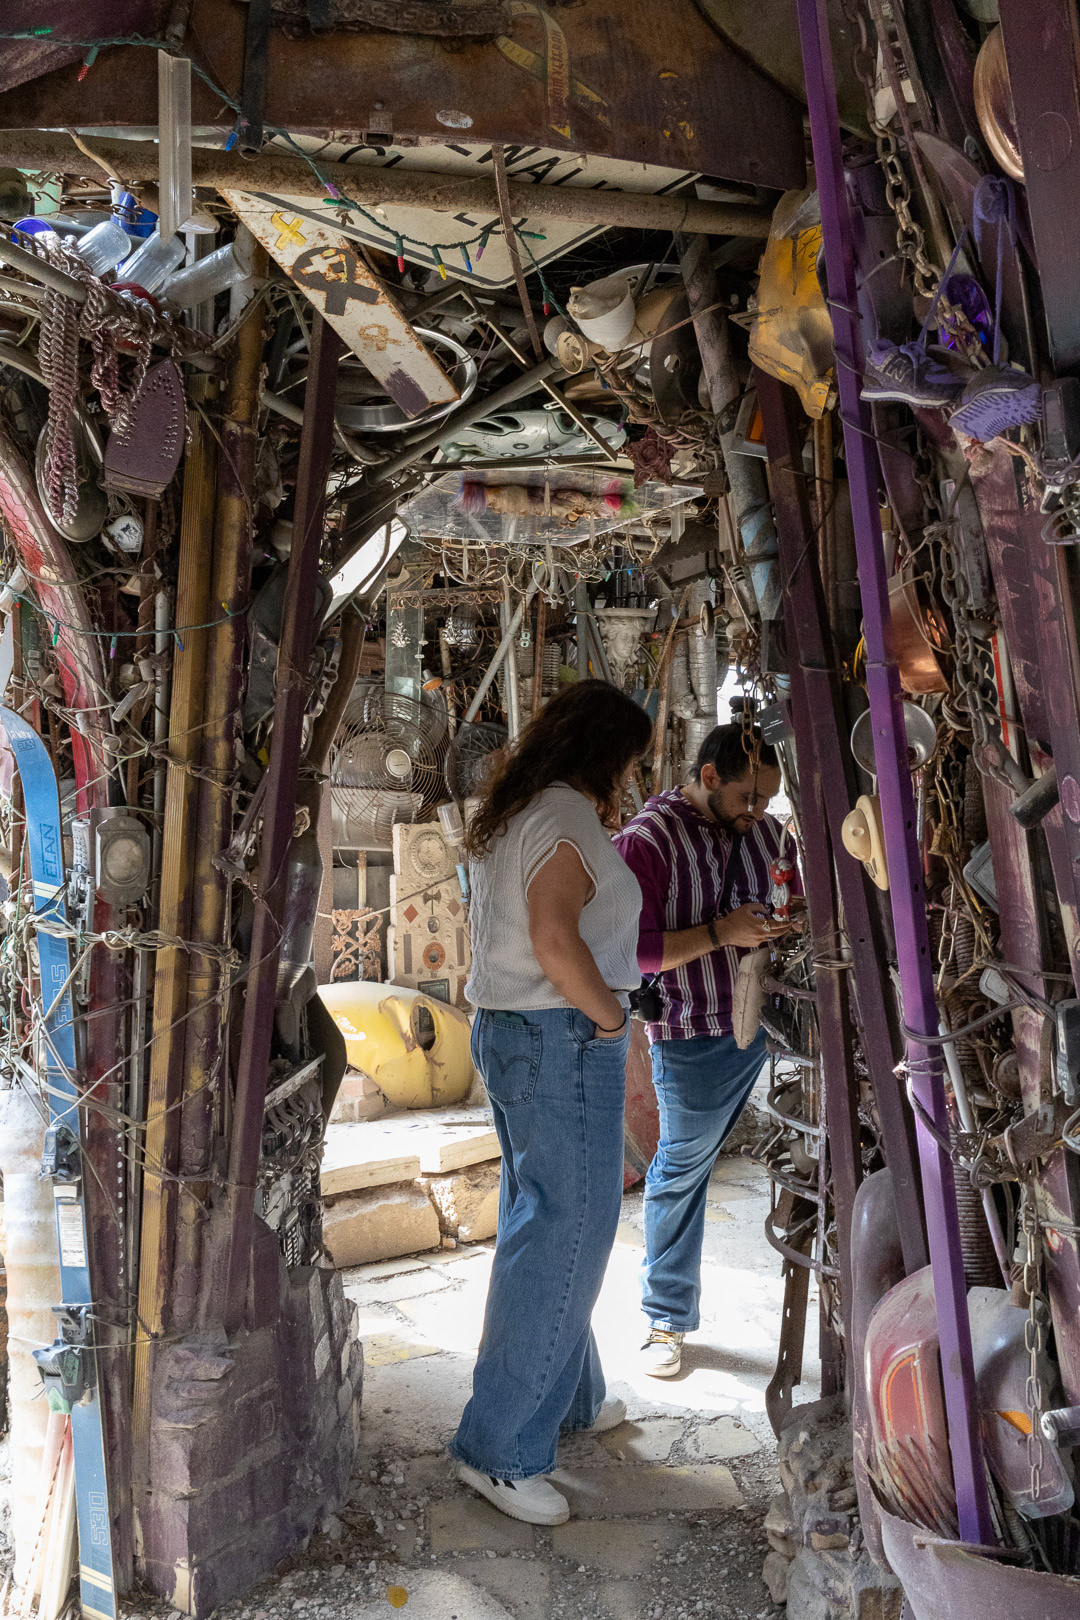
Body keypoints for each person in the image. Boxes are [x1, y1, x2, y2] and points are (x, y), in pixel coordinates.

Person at [450, 679, 653, 1525]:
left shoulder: (520, 810)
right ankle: (498, 1450)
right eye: (630, 761)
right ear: (605, 752)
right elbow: (554, 939)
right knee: (566, 1229)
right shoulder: (564, 814)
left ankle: (568, 1397)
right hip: (560, 1034)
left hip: (514, 1030)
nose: (632, 778)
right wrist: (611, 1022)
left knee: (545, 1223)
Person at [614, 722, 799, 1377]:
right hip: (694, 1028)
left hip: (776, 1013)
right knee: (683, 1169)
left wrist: (789, 921)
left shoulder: (768, 834)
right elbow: (637, 954)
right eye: (749, 797)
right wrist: (723, 932)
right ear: (710, 776)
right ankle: (665, 1318)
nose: (759, 811)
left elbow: (791, 901)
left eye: (768, 799)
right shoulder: (648, 840)